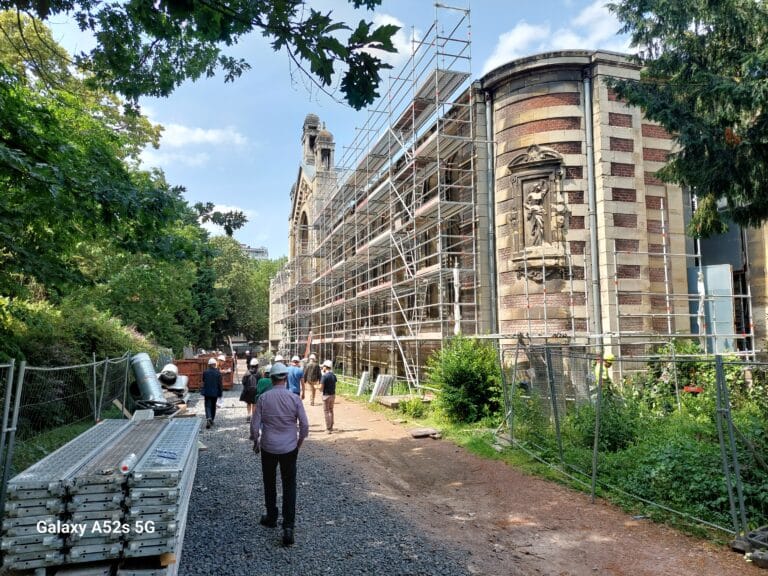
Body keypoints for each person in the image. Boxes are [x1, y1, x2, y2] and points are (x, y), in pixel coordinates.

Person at [250, 362, 309, 547]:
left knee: (269, 482)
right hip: (289, 448)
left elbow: (254, 426)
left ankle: (271, 517)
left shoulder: (263, 399)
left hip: (268, 447)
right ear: (284, 378)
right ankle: (288, 527)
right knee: (289, 485)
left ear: (272, 378)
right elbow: (305, 426)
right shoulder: (294, 399)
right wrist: (298, 443)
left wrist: (256, 441)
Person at [201, 357, 223, 429]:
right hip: (215, 393)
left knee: (207, 405)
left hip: (207, 392)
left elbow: (203, 380)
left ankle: (208, 418)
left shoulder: (205, 372)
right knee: (213, 406)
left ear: (209, 365)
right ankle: (212, 419)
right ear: (215, 364)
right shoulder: (218, 373)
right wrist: (220, 394)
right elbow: (220, 384)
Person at [320, 360, 337, 433]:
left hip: (326, 396)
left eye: (323, 366)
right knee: (331, 410)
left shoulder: (324, 376)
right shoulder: (333, 376)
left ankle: (328, 428)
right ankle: (331, 426)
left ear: (325, 367)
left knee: (326, 411)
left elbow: (321, 388)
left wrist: (318, 388)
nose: (322, 368)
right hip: (333, 395)